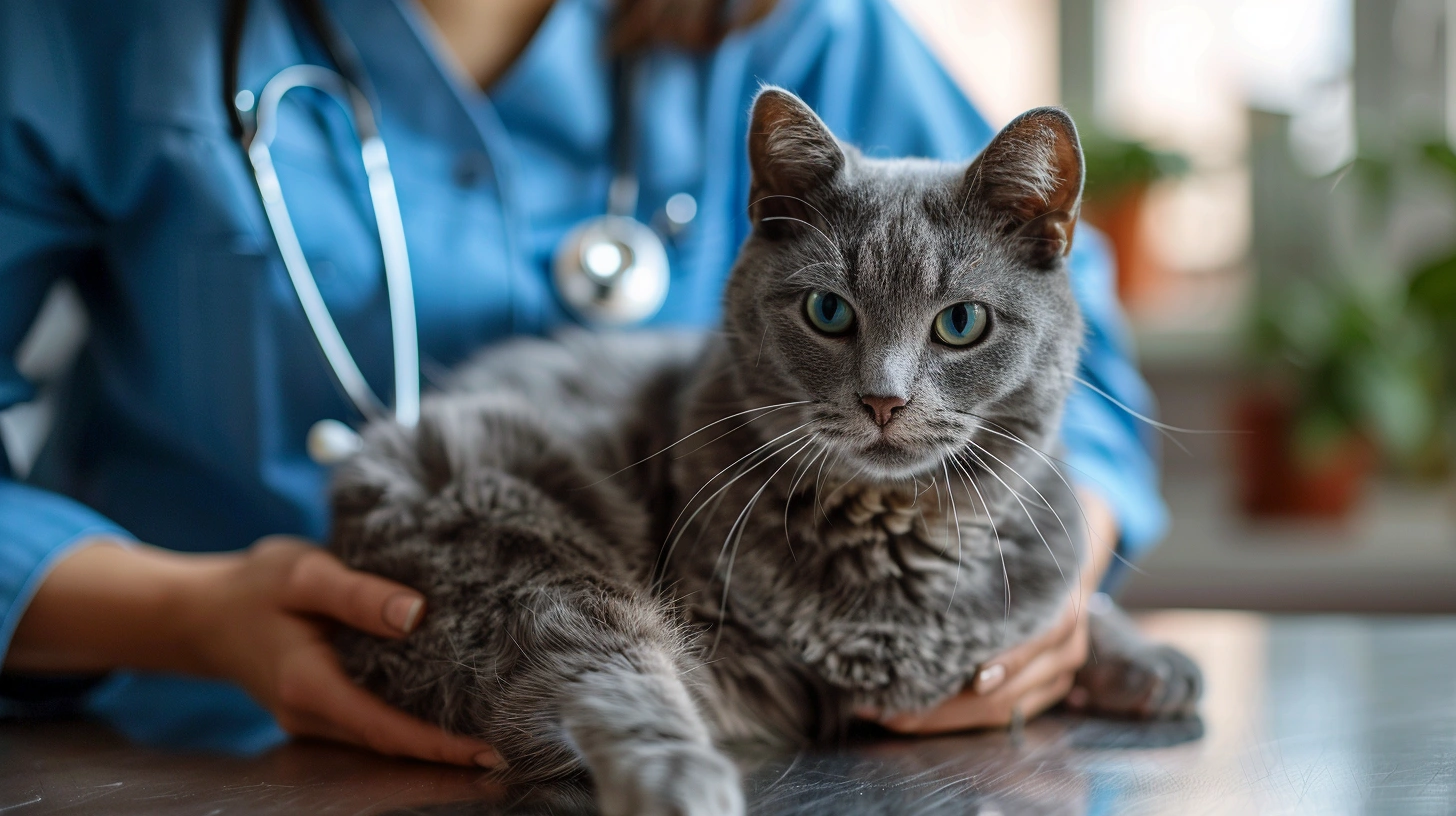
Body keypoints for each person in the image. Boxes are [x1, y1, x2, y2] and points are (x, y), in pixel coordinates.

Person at [0, 0, 1167, 765]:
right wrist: (183, 616)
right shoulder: (96, 29)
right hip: (179, 734)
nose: (886, 383)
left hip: (744, 728)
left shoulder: (801, 26)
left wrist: (1044, 596)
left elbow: (1073, 337)